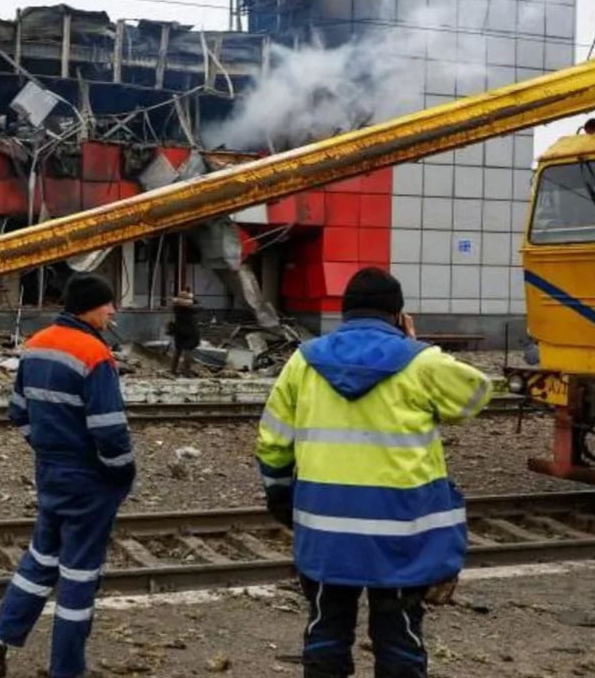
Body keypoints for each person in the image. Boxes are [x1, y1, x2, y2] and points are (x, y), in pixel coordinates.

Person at [256, 267, 492, 678]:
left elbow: (273, 440)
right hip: (401, 534)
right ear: (398, 316)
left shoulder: (303, 361)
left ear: (344, 314)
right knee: (399, 638)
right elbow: (477, 394)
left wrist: (278, 495)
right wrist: (414, 346)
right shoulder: (421, 362)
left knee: (325, 632)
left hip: (325, 530)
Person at [0, 272, 136, 678]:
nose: (112, 311)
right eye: (107, 305)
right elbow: (109, 429)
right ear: (89, 307)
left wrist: (47, 449)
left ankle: (0, 641)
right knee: (80, 575)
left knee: (41, 559)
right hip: (89, 479)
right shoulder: (95, 355)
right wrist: (122, 473)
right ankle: (67, 669)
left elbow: (18, 413)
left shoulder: (35, 346)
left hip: (51, 473)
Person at [167, 289, 200, 376]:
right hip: (190, 331)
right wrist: (192, 299)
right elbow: (198, 306)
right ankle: (186, 371)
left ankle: (173, 370)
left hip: (178, 332)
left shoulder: (176, 308)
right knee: (188, 351)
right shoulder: (191, 309)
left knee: (177, 351)